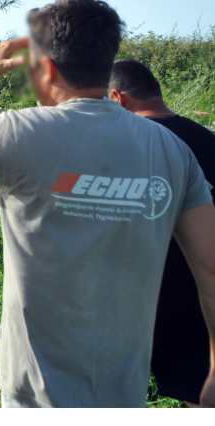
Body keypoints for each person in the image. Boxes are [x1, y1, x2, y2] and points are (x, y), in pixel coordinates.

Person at [0, 0, 215, 408]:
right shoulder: (173, 151)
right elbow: (211, 269)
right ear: (106, 64)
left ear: (46, 68)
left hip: (32, 390)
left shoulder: (15, 133)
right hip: (123, 391)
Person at [109, 58, 215, 406]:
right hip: (198, 305)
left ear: (117, 98)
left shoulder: (121, 146)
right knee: (200, 398)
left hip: (129, 307)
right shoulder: (208, 142)